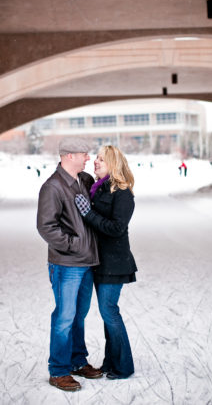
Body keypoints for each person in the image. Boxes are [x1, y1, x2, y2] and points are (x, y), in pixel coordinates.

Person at [37, 137, 102, 392]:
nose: (88, 158)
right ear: (68, 156)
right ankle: (58, 370)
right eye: (83, 154)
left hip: (86, 263)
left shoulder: (83, 180)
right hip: (67, 264)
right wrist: (75, 245)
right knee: (64, 317)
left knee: (79, 316)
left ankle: (77, 361)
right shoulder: (52, 187)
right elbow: (46, 227)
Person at [75, 145, 137, 380]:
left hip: (115, 262)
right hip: (99, 262)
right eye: (97, 159)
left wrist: (88, 214)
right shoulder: (98, 188)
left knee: (109, 311)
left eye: (102, 159)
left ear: (114, 164)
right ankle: (111, 362)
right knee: (107, 314)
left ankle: (123, 366)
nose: (96, 162)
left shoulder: (122, 192)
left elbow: (116, 228)